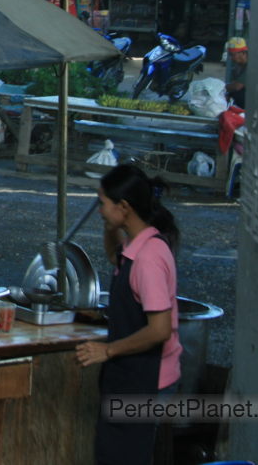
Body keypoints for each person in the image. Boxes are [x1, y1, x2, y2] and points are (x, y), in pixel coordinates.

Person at [75, 164, 181, 465]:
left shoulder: (148, 259)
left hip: (148, 381)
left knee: (127, 456)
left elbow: (159, 330)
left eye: (103, 203)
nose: (99, 210)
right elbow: (114, 256)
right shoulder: (139, 243)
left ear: (124, 207)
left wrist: (106, 350)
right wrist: (111, 227)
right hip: (132, 376)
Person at [225, 36, 248, 110]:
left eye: (233, 55)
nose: (231, 58)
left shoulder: (251, 65)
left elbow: (237, 86)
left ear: (243, 53)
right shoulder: (237, 66)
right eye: (230, 55)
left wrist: (220, 88)